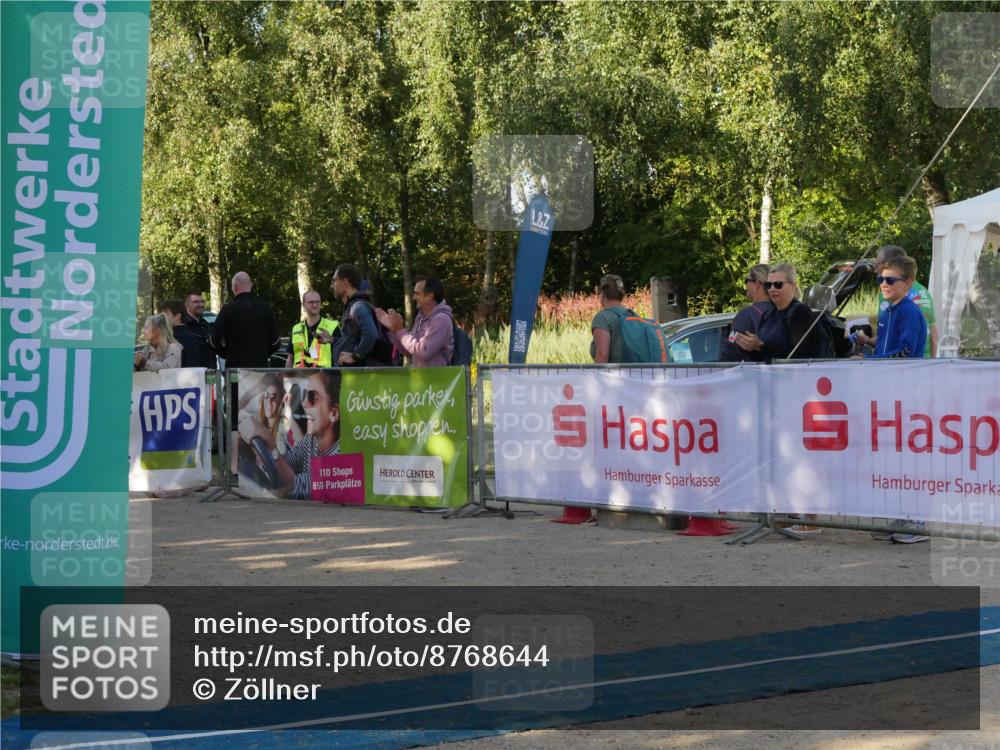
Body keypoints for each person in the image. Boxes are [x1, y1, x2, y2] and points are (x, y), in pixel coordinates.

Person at [211, 271, 281, 473]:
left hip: (235, 372)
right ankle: (265, 466)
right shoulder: (265, 309)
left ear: (235, 288)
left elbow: (214, 342)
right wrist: (263, 352)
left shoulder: (228, 310)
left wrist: (227, 352)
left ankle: (234, 467)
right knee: (262, 417)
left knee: (234, 419)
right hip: (260, 372)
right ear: (251, 285)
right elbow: (276, 343)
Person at [854, 244, 938, 358]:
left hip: (906, 373)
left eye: (890, 280)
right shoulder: (889, 311)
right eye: (880, 279)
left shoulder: (909, 312)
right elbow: (884, 344)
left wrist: (869, 360)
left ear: (907, 284)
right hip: (888, 373)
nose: (883, 284)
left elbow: (905, 353)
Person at [733, 263, 827, 363]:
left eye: (778, 284)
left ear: (793, 285)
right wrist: (750, 347)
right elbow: (761, 357)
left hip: (795, 376)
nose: (772, 289)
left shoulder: (800, 312)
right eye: (768, 285)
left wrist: (760, 346)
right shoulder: (768, 315)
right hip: (770, 376)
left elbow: (797, 354)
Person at [275, 370, 341, 499]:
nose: (304, 403)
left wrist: (270, 446)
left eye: (312, 397)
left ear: (333, 414)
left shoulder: (341, 453)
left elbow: (294, 486)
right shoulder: (311, 439)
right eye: (304, 395)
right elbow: (288, 461)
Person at [376, 276, 454, 367]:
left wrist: (400, 331)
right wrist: (394, 331)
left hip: (438, 379)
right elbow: (411, 352)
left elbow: (423, 351)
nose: (413, 297)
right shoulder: (420, 317)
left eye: (417, 294)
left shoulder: (441, 320)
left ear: (429, 296)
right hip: (423, 379)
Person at [719, 264, 774, 362]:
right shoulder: (783, 310)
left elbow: (730, 354)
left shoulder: (746, 315)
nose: (745, 285)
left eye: (746, 281)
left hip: (753, 375)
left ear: (757, 284)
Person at [330, 264, 380, 366]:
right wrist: (332, 340)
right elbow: (351, 341)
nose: (332, 285)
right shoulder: (351, 307)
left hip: (359, 376)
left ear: (345, 283)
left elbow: (371, 334)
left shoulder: (357, 307)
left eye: (334, 280)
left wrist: (355, 356)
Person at [286, 290, 339, 368]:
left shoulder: (332, 326)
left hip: (324, 377)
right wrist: (286, 377)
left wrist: (331, 339)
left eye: (317, 302)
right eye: (310, 302)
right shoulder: (296, 329)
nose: (314, 305)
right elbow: (290, 358)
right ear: (303, 305)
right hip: (299, 377)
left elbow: (344, 347)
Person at [590, 274, 629, 364]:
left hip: (613, 376)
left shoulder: (603, 318)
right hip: (636, 375)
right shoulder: (633, 315)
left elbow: (602, 355)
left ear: (603, 294)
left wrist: (597, 377)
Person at [158, 299, 200, 368]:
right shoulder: (192, 336)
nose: (162, 318)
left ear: (178, 316)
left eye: (165, 314)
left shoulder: (171, 337)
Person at [181, 291, 217, 369]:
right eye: (196, 302)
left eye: (202, 301)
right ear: (187, 304)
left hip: (209, 372)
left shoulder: (206, 323)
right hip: (190, 373)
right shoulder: (182, 324)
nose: (200, 305)